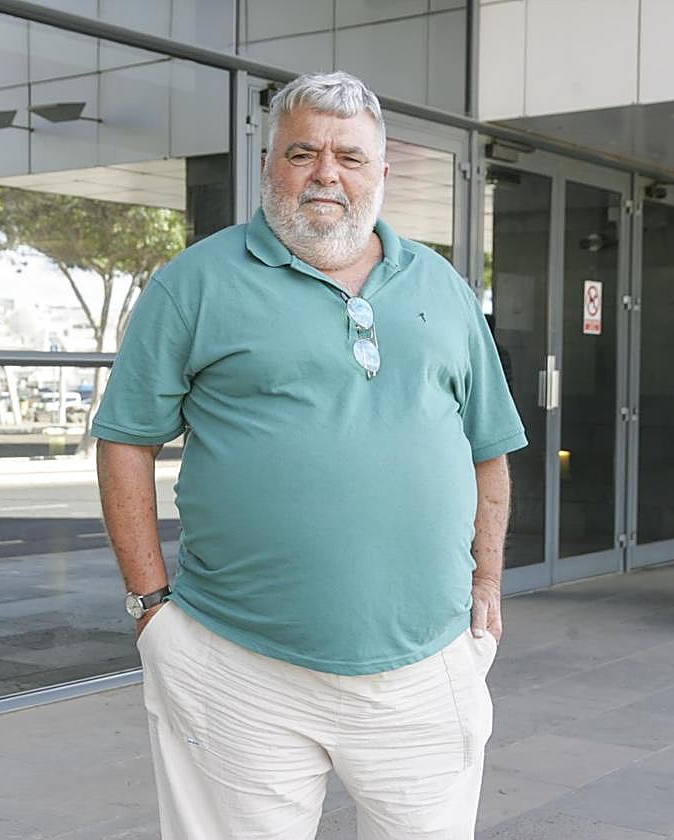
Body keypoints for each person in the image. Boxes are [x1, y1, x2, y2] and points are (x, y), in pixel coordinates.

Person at [93, 71, 526, 840]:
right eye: (303, 152)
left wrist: (486, 587)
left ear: (383, 175)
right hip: (236, 666)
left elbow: (489, 448)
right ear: (269, 167)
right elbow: (126, 438)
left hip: (425, 668)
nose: (326, 172)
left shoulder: (445, 288)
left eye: (350, 158)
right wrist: (150, 608)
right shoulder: (193, 283)